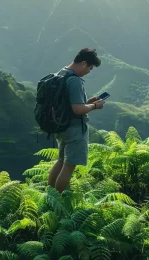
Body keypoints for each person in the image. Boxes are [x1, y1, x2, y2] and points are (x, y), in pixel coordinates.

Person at [47, 48, 104, 193]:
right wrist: (94, 106)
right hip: (75, 129)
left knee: (60, 161)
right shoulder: (75, 81)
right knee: (69, 165)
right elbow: (77, 110)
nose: (89, 71)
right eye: (90, 68)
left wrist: (88, 102)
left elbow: (70, 103)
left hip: (61, 125)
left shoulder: (61, 74)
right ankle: (59, 201)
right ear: (84, 63)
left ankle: (50, 195)